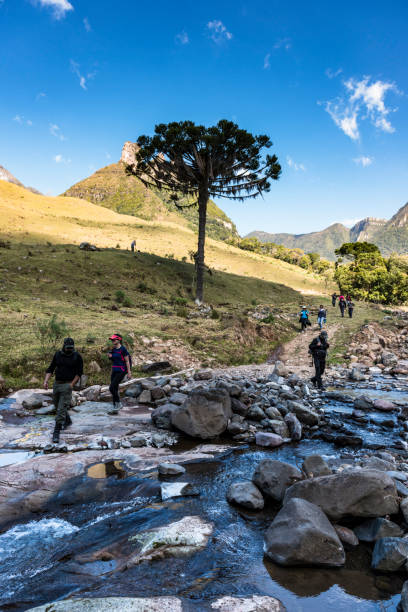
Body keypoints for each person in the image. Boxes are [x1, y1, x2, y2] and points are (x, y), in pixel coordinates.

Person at [44, 337, 83, 444]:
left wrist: (71, 385)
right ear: (64, 346)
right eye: (67, 348)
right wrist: (46, 381)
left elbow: (79, 373)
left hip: (67, 384)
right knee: (57, 405)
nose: (69, 349)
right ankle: (68, 420)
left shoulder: (77, 356)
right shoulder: (58, 355)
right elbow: (51, 368)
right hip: (57, 384)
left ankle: (56, 433)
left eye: (71, 348)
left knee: (61, 409)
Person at [108, 333, 132, 414]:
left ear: (119, 340)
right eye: (112, 340)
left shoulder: (123, 349)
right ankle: (115, 407)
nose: (112, 341)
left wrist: (129, 372)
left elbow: (127, 361)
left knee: (111, 388)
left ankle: (118, 404)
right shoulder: (113, 349)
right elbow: (114, 360)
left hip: (121, 371)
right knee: (114, 388)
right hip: (114, 370)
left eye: (114, 339)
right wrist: (110, 357)